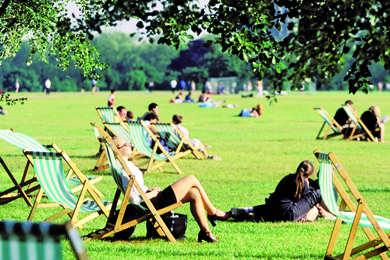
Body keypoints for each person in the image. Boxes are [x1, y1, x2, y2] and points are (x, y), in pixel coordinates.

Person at [112, 136, 231, 242]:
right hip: (151, 203)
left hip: (150, 200)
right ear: (118, 150)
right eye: (125, 144)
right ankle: (213, 212)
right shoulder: (125, 170)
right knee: (191, 178)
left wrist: (148, 190)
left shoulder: (125, 165)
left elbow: (135, 191)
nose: (129, 144)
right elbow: (134, 199)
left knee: (194, 193)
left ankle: (206, 232)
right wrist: (152, 193)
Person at [231, 160, 333, 222]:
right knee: (317, 193)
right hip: (290, 214)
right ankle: (331, 214)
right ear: (309, 175)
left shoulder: (286, 178)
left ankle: (246, 211)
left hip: (276, 210)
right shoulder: (304, 183)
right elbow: (306, 203)